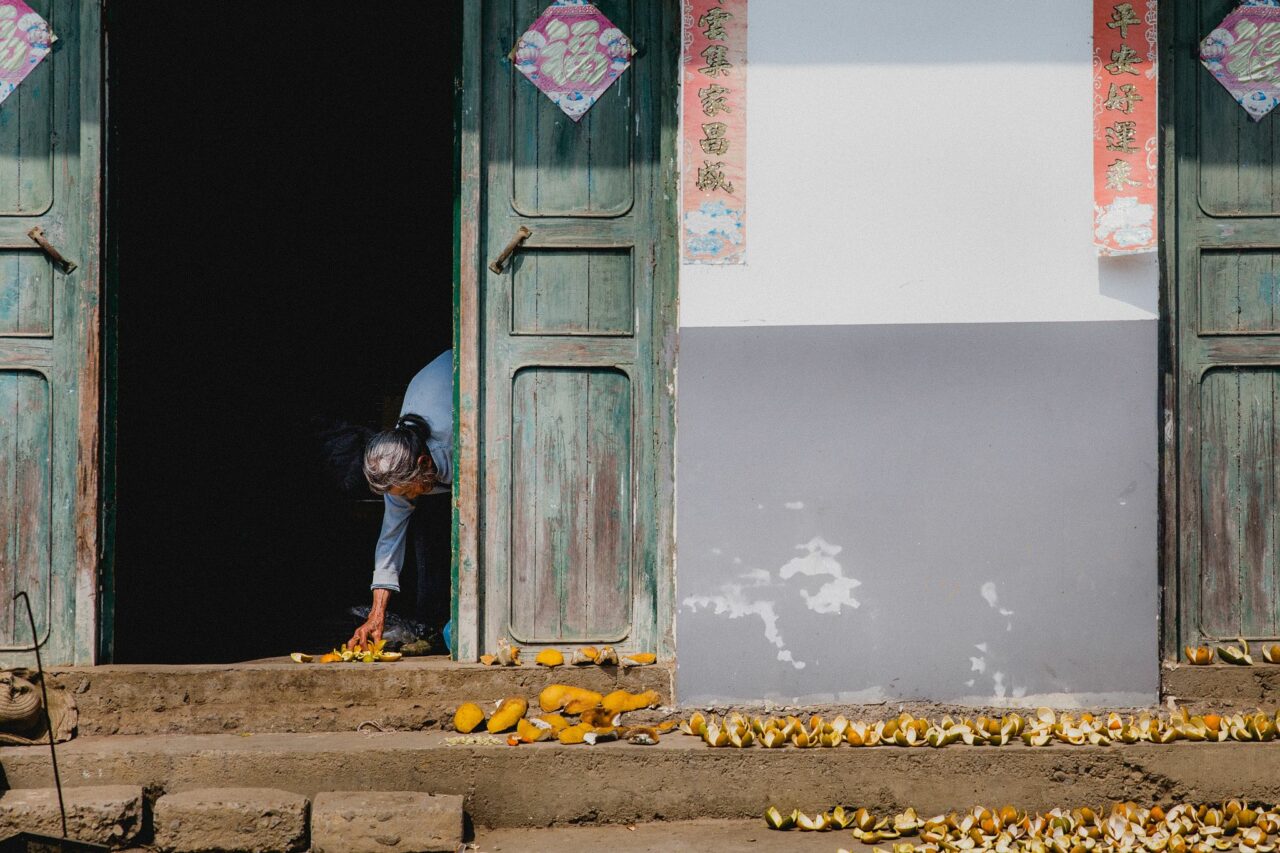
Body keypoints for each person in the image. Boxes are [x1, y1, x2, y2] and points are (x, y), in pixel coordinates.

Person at [348, 350, 453, 649]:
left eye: (408, 491)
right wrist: (376, 613)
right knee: (424, 529)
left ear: (424, 463)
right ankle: (435, 623)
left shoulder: (456, 433)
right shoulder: (398, 465)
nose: (404, 499)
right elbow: (390, 538)